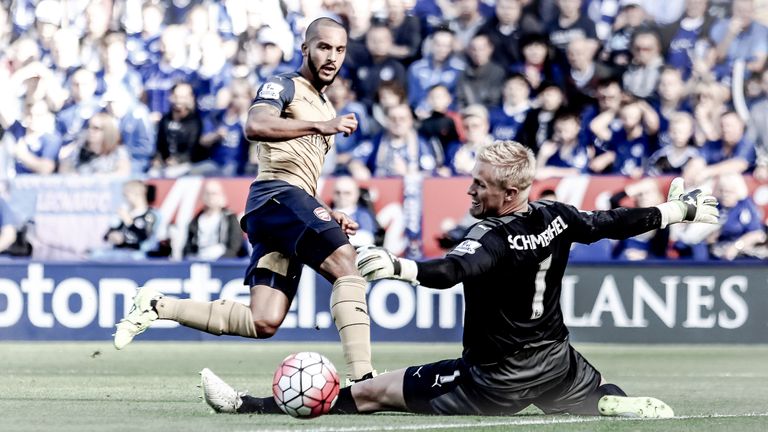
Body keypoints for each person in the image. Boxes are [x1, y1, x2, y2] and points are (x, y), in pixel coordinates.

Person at [200, 140, 718, 417]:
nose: (470, 191)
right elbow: (612, 222)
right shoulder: (557, 215)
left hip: (491, 380)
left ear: (510, 193)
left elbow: (451, 271)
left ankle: (250, 405)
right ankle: (608, 399)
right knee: (593, 395)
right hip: (558, 362)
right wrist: (676, 212)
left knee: (373, 394)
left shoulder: (489, 237)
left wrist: (399, 268)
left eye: (481, 185)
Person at [113, 18, 377, 384]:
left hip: (288, 206)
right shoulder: (284, 85)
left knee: (263, 319)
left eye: (339, 49)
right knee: (346, 262)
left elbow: (299, 171)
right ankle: (365, 380)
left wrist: (328, 212)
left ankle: (157, 306)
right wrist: (322, 126)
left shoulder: (323, 102)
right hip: (274, 199)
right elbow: (255, 126)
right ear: (305, 49)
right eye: (323, 47)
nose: (332, 56)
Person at [182, 180, 246, 261]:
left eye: (214, 194)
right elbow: (187, 248)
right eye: (207, 193)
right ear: (203, 196)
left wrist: (221, 261)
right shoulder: (195, 221)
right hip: (199, 262)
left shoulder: (230, 218)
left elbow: (235, 246)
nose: (210, 197)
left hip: (222, 264)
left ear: (221, 195)